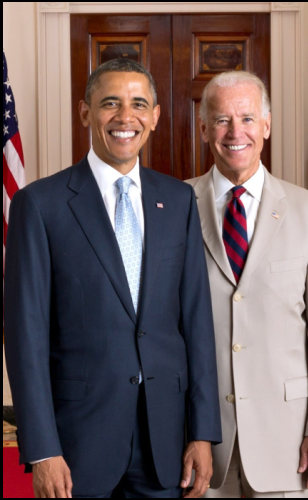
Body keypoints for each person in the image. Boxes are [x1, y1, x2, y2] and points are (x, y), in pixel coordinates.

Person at [4, 59, 222, 499]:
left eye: (139, 104)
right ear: (86, 113)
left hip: (166, 444)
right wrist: (43, 450)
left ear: (156, 116)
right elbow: (25, 337)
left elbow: (197, 325)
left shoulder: (178, 201)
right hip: (76, 448)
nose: (126, 118)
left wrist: (203, 432)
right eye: (110, 104)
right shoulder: (39, 205)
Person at [186, 71, 308, 499]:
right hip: (198, 441)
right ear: (203, 128)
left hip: (287, 440)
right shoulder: (174, 209)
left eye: (248, 118)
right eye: (221, 120)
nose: (235, 132)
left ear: (267, 126)